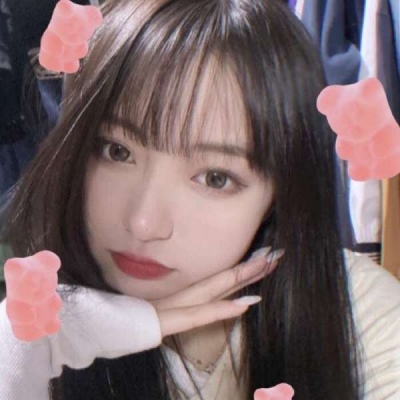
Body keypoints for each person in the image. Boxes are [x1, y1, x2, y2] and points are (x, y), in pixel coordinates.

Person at [0, 0, 399, 399]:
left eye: (215, 178)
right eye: (117, 151)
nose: (144, 223)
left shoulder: (356, 310)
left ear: (280, 191)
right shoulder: (38, 327)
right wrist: (24, 351)